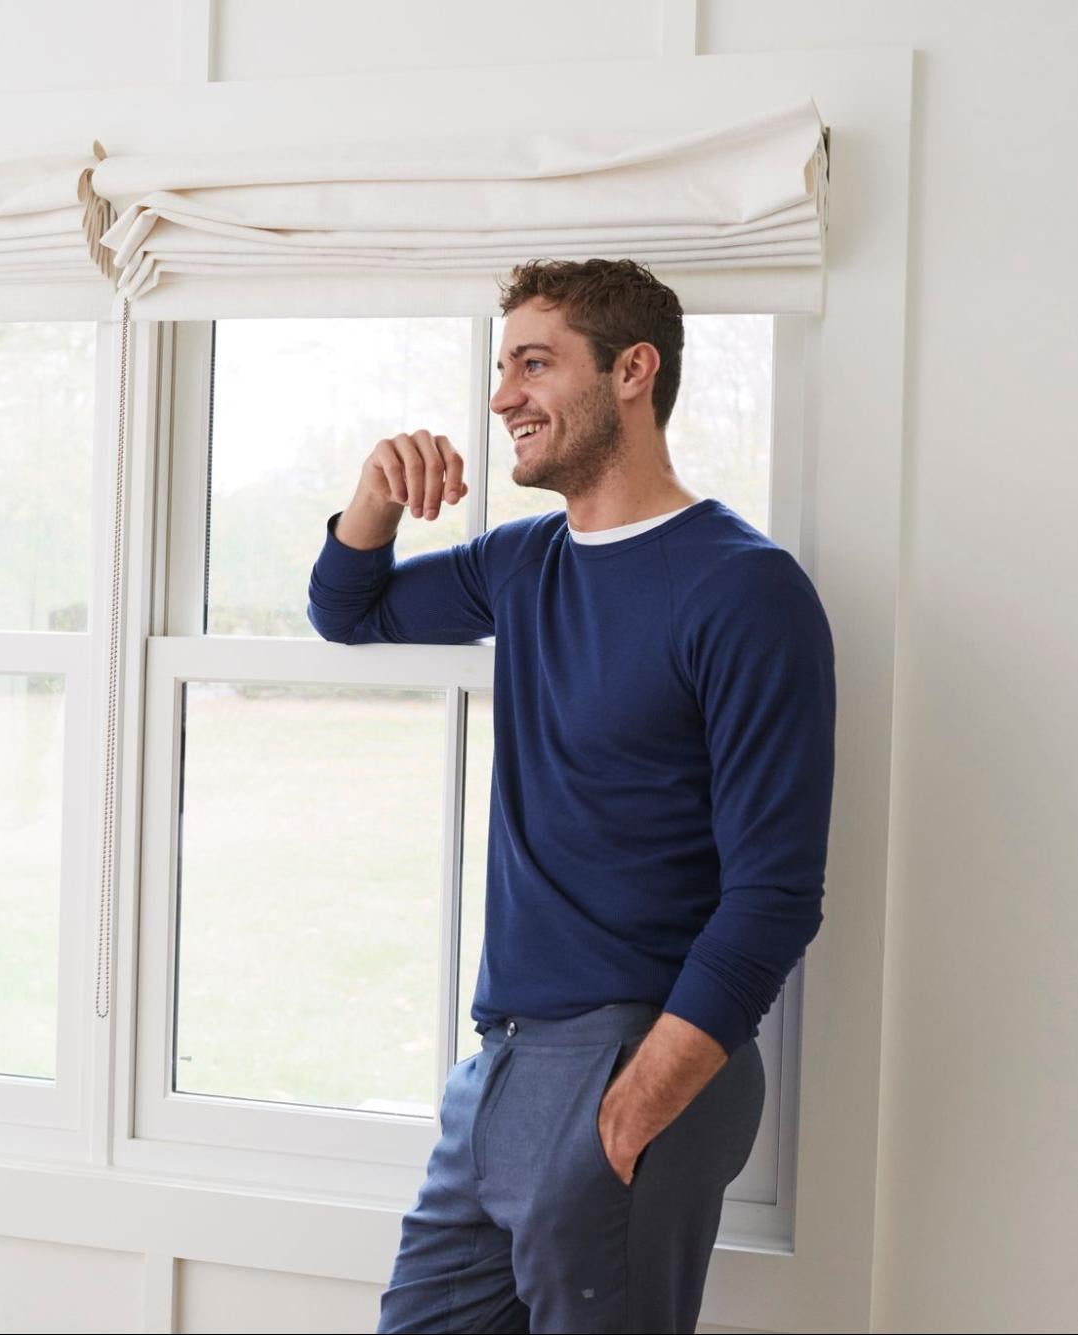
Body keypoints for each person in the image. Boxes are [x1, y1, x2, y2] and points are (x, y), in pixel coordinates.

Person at [306, 258, 836, 1334]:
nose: (503, 395)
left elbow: (774, 897)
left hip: (632, 1058)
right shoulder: (523, 565)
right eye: (504, 367)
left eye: (535, 363)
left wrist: (630, 1113)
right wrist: (372, 493)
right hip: (498, 1067)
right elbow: (345, 611)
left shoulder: (744, 589)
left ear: (632, 371)